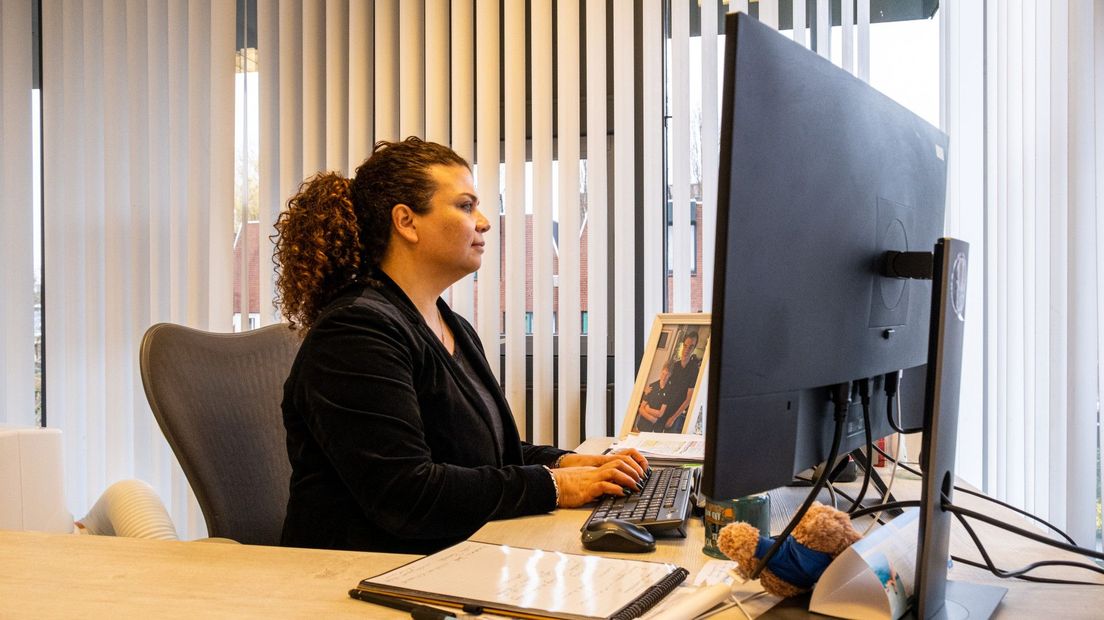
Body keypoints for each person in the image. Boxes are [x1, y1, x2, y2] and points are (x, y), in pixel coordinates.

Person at [273, 137, 648, 554]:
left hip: (453, 555)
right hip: (360, 576)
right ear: (406, 221)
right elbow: (407, 496)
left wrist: (565, 463)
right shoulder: (355, 332)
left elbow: (484, 455)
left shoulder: (452, 327)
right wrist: (554, 486)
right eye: (466, 206)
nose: (484, 221)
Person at [658, 331, 702, 432]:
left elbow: (689, 398)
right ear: (682, 345)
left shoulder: (694, 369)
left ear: (694, 348)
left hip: (678, 414)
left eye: (691, 347)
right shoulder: (675, 365)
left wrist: (673, 418)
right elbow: (664, 383)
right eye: (685, 345)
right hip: (665, 408)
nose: (687, 349)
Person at [634, 363, 672, 432]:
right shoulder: (651, 386)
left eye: (667, 375)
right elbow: (641, 409)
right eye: (663, 373)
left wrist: (647, 409)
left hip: (656, 429)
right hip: (643, 425)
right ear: (661, 372)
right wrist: (652, 418)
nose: (664, 376)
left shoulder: (669, 391)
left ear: (670, 375)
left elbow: (660, 414)